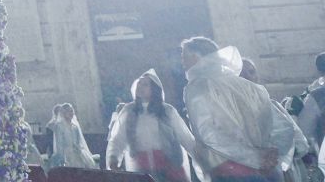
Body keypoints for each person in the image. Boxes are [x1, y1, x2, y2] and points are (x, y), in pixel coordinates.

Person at [182, 36, 299, 182]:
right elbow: (284, 127)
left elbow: (209, 134)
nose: (182, 62)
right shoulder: (249, 86)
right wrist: (273, 154)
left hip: (230, 172)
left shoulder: (197, 88)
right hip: (270, 171)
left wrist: (256, 158)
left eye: (184, 56)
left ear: (196, 57)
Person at [107, 70, 195, 181]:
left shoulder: (167, 111)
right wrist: (113, 159)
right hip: (142, 169)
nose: (140, 87)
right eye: (139, 83)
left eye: (145, 84)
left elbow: (185, 137)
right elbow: (118, 139)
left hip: (170, 169)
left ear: (154, 89)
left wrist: (201, 159)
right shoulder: (129, 111)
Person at [46, 102, 99, 169]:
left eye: (71, 111)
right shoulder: (59, 126)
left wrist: (80, 151)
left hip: (77, 152)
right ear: (64, 113)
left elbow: (79, 141)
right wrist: (61, 158)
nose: (71, 113)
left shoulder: (75, 126)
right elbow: (59, 143)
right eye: (68, 111)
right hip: (66, 154)